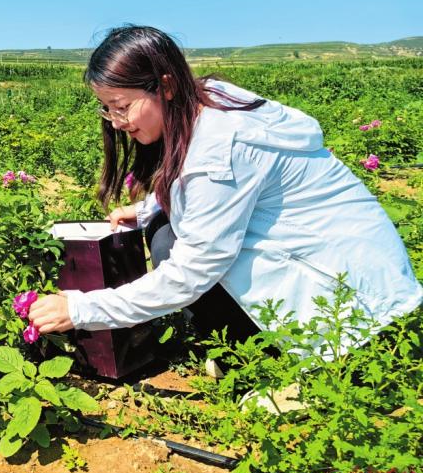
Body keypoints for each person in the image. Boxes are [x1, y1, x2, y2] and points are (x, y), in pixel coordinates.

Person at [27, 25, 422, 352]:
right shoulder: (208, 98)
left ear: (165, 86)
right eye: (107, 108)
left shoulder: (220, 152)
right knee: (164, 231)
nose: (116, 121)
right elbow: (212, 189)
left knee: (174, 248)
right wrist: (150, 207)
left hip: (353, 310)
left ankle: (268, 367)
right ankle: (251, 345)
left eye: (122, 106)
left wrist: (80, 310)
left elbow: (192, 271)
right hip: (353, 269)